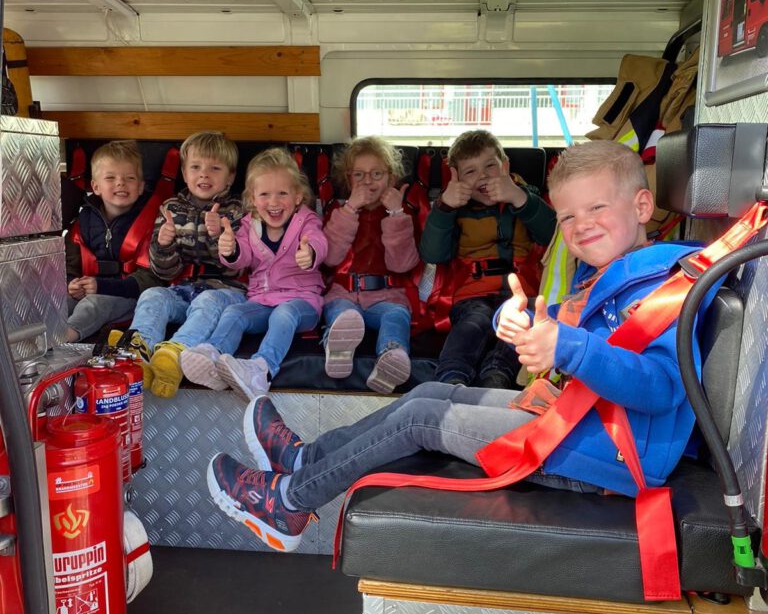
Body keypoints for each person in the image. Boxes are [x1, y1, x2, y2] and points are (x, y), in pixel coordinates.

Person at [207, 140, 711, 552]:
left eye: (597, 208)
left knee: (422, 420)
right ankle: (305, 459)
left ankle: (289, 502)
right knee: (428, 394)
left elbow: (663, 388)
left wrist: (567, 348)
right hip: (576, 420)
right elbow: (568, 322)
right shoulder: (616, 274)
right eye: (567, 218)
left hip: (612, 456)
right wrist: (515, 319)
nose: (582, 226)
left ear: (642, 206)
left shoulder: (664, 290)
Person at [179, 148, 328, 401]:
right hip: (261, 300)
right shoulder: (250, 224)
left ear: (298, 196)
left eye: (282, 193)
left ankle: (261, 369)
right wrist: (231, 248)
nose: (273, 202)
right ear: (252, 199)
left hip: (302, 302)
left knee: (284, 313)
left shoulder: (307, 220)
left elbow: (318, 239)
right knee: (234, 313)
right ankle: (212, 355)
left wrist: (311, 253)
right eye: (265, 194)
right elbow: (243, 256)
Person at [108, 131, 245, 399]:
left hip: (226, 291)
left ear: (230, 177)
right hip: (183, 288)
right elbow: (164, 271)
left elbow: (235, 267)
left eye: (215, 169)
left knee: (207, 301)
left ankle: (176, 352)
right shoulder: (171, 208)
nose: (204, 175)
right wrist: (164, 244)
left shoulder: (238, 211)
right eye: (196, 167)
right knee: (153, 294)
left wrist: (218, 236)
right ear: (184, 172)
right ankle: (139, 351)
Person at [420, 129, 556, 389]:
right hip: (473, 293)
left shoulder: (526, 197)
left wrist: (519, 197)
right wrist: (445, 206)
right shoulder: (454, 209)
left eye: (490, 166)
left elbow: (554, 236)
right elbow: (433, 254)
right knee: (475, 322)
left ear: (505, 166)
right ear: (456, 177)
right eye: (470, 172)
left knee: (521, 322)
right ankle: (450, 376)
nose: (482, 176)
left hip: (521, 292)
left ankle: (496, 374)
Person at [321, 136, 420, 394]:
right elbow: (330, 257)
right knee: (342, 313)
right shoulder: (338, 212)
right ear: (348, 180)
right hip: (344, 292)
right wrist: (350, 209)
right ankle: (338, 349)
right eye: (359, 175)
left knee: (396, 316)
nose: (368, 181)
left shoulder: (402, 214)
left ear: (391, 179)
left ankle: (391, 357)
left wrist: (396, 214)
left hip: (387, 295)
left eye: (376, 174)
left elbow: (402, 265)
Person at [65, 140, 162, 343]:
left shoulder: (152, 222)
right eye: (110, 177)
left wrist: (103, 286)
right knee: (62, 301)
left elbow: (152, 278)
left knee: (94, 304)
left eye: (129, 178)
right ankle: (29, 341)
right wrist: (72, 283)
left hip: (130, 296)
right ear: (96, 186)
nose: (120, 183)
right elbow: (70, 264)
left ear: (141, 187)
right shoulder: (84, 220)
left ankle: (64, 340)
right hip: (89, 288)